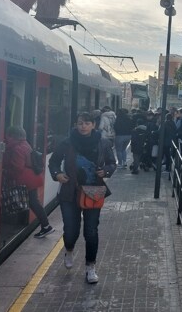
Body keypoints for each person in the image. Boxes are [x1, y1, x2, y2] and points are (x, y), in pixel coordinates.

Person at [48, 112, 116, 284]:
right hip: (70, 191)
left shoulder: (103, 142)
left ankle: (90, 267)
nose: (83, 126)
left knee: (91, 231)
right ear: (76, 125)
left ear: (93, 125)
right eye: (80, 123)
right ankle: (69, 249)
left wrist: (106, 171)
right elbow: (53, 162)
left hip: (94, 191)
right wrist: (57, 174)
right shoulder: (67, 142)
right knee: (71, 230)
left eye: (86, 123)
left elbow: (111, 162)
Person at [2, 126, 54, 238]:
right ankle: (46, 226)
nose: (5, 137)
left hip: (26, 180)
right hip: (32, 178)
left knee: (33, 203)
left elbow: (17, 168)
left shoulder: (17, 148)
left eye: (7, 135)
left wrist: (4, 173)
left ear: (12, 136)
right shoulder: (24, 144)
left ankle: (46, 226)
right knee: (33, 202)